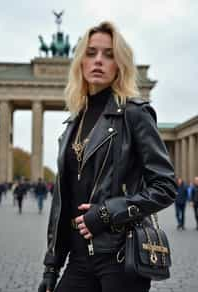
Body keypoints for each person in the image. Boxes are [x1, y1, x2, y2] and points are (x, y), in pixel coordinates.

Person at [38, 21, 177, 292]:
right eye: (91, 53)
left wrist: (106, 213)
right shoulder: (72, 125)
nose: (99, 60)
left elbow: (165, 186)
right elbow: (63, 201)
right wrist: (52, 266)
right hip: (78, 259)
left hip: (120, 256)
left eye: (109, 54)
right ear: (80, 62)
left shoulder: (134, 114)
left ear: (119, 65)